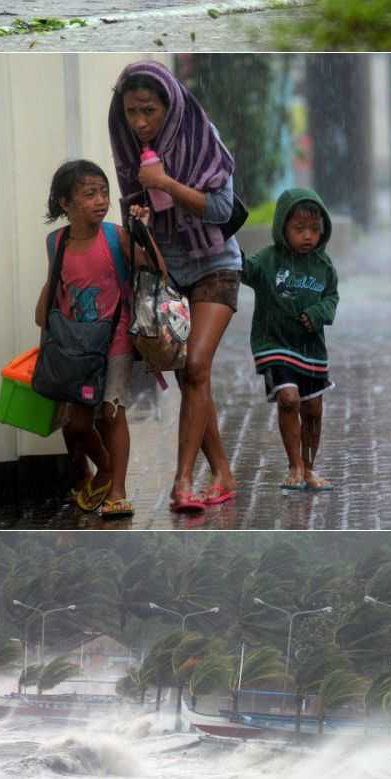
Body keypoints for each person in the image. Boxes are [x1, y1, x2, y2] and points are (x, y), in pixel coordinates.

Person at [109, 61, 241, 515]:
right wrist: (139, 221)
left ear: (171, 106)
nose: (140, 122)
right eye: (131, 112)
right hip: (167, 274)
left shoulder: (202, 140)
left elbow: (221, 209)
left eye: (149, 110)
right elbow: (136, 212)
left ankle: (182, 481)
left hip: (216, 263)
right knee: (190, 377)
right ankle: (222, 470)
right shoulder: (130, 150)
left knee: (198, 365)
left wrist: (166, 183)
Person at [36, 159, 137, 522]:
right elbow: (51, 297)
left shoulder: (116, 237)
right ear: (65, 203)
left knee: (111, 414)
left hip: (115, 337)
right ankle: (106, 469)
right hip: (74, 346)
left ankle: (118, 492)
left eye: (104, 192)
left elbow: (155, 269)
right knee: (77, 424)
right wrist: (46, 341)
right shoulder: (56, 242)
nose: (100, 200)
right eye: (90, 193)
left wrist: (143, 231)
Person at [240, 187, 338, 494]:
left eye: (314, 229)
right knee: (289, 399)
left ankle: (309, 468)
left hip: (310, 349)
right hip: (274, 343)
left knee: (313, 410)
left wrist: (319, 312)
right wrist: (223, 241)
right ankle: (294, 464)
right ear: (283, 227)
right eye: (299, 229)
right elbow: (244, 269)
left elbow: (332, 297)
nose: (307, 236)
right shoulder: (268, 260)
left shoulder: (324, 266)